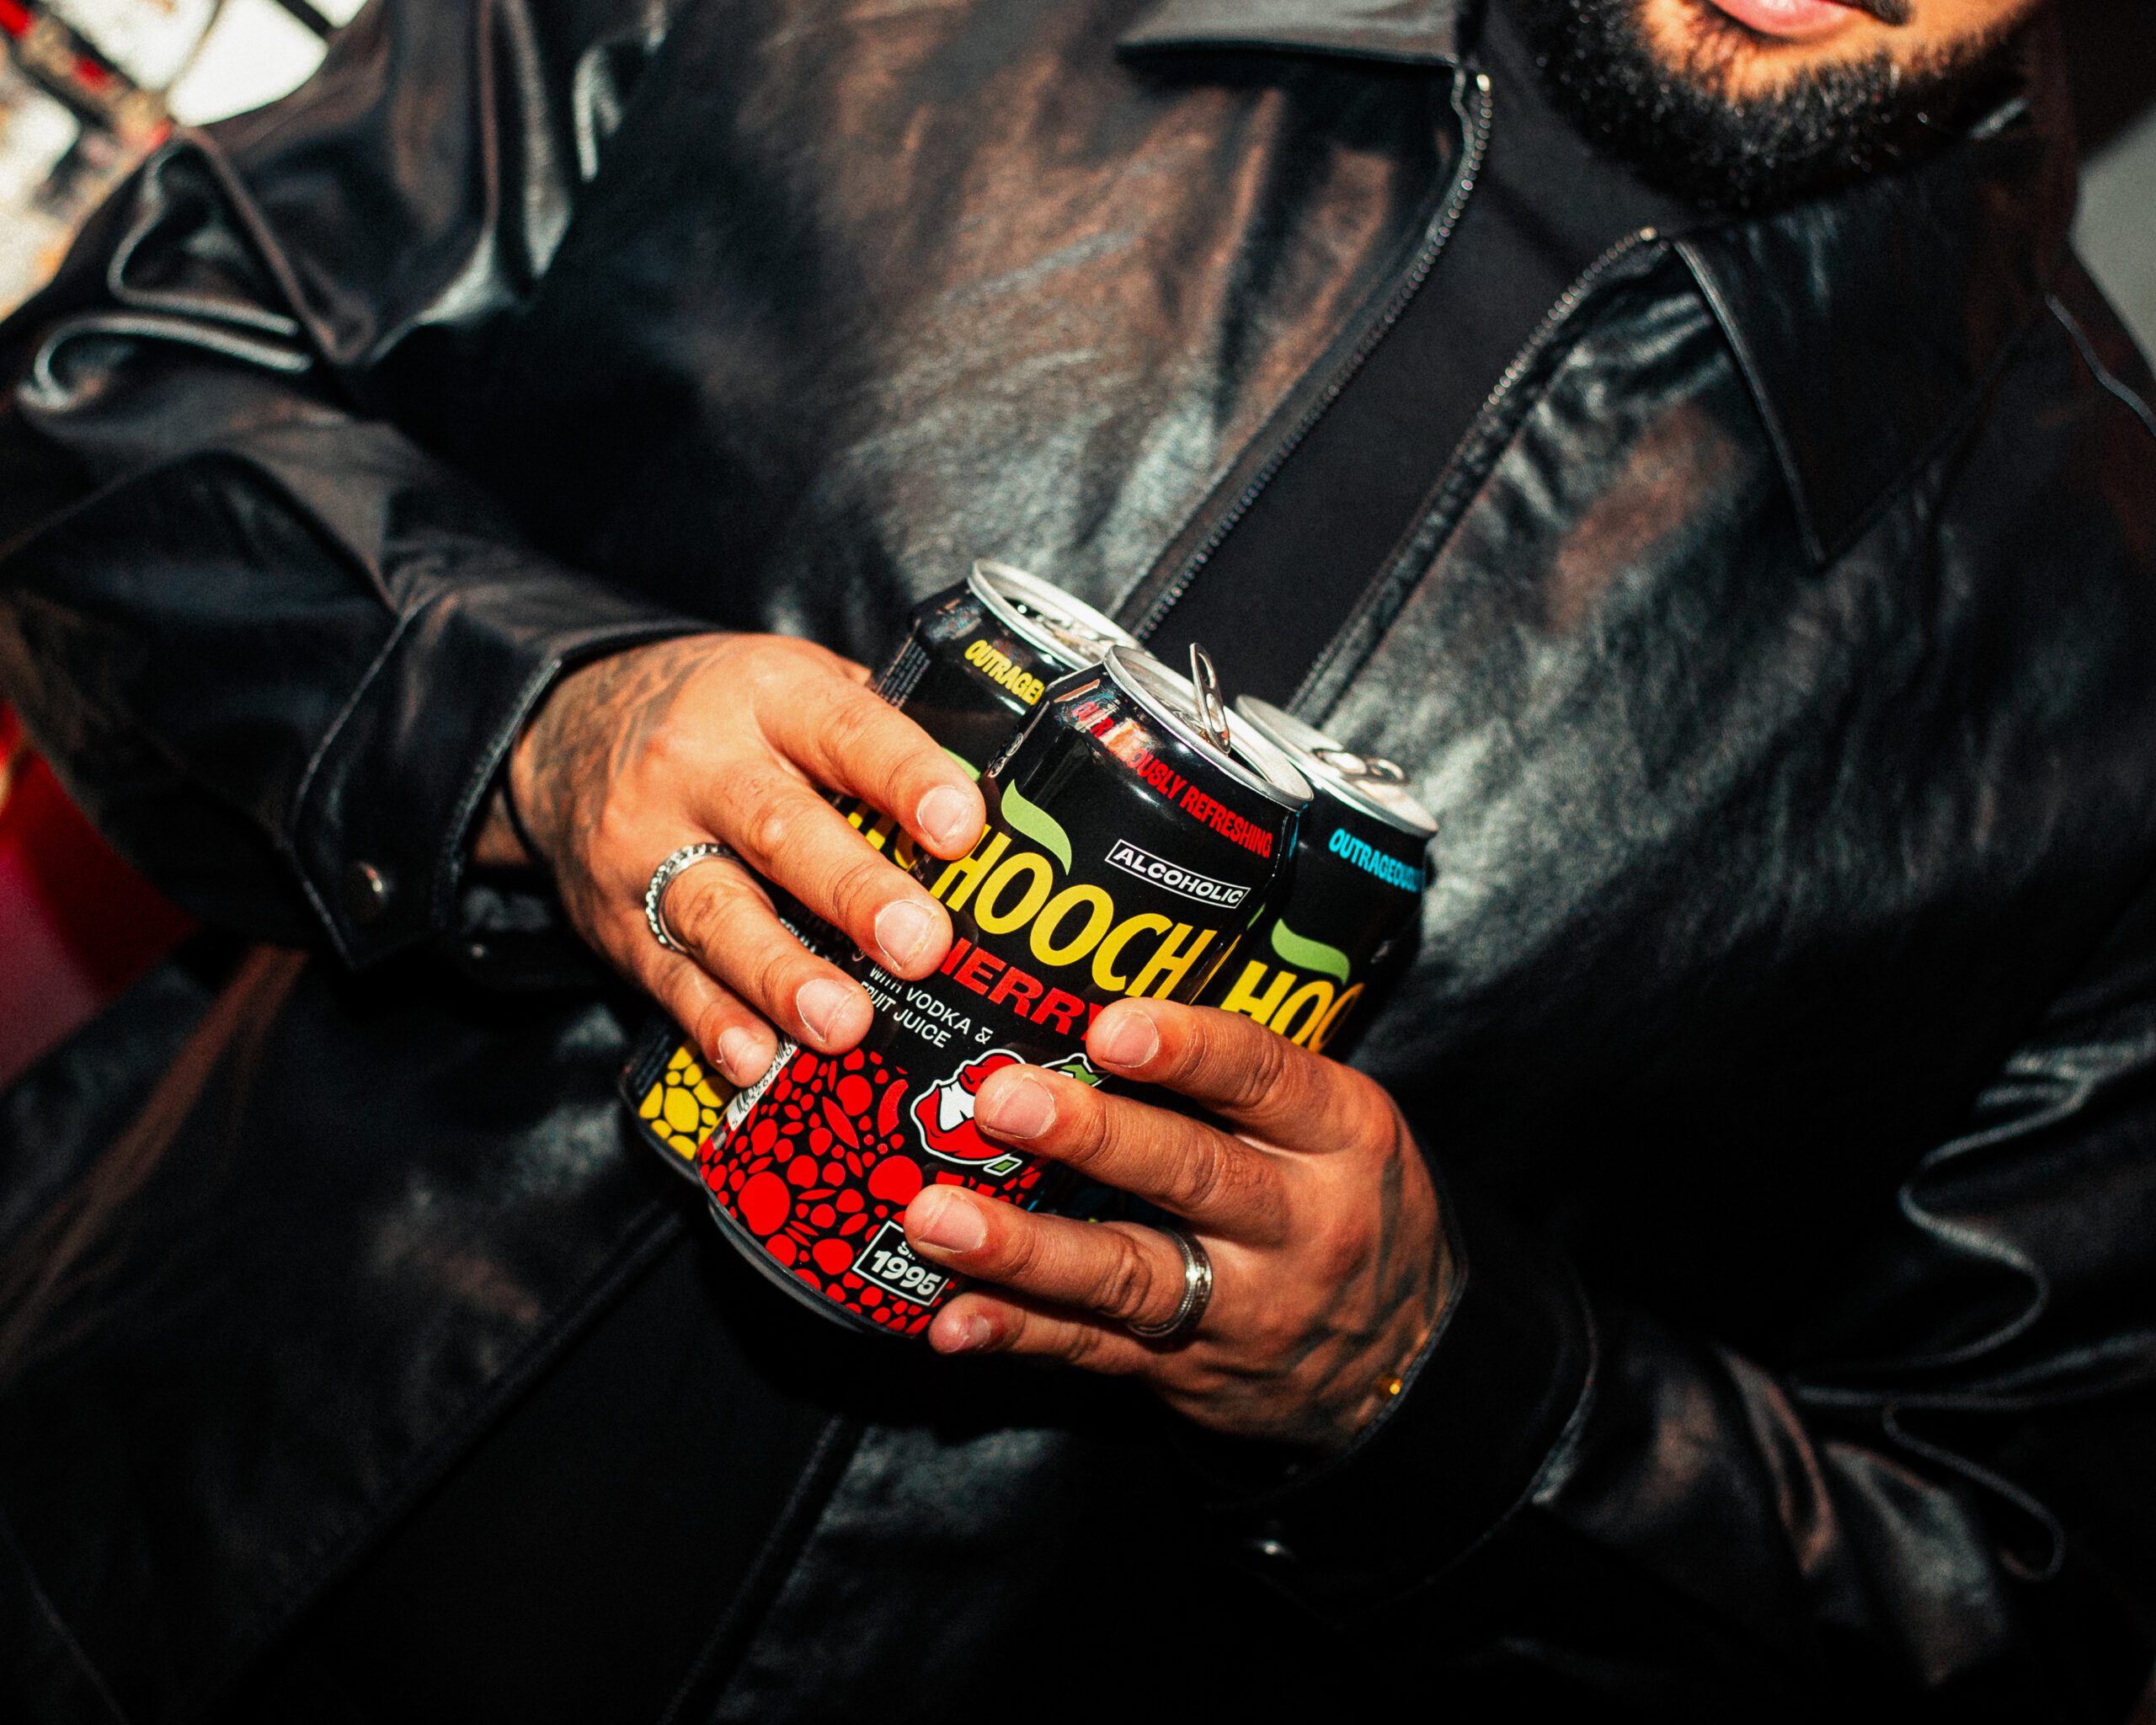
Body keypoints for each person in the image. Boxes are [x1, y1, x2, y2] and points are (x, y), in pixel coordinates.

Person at [1, 0, 2152, 1717]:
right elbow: (114, 388)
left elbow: (2006, 1610)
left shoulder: (2107, 661)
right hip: (110, 1513)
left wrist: (1436, 1382)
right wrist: (525, 727)